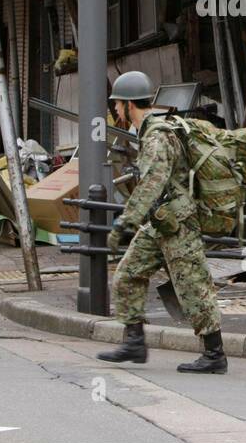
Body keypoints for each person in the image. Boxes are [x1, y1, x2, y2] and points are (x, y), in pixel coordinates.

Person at [96, 70, 227, 374]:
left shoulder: (157, 136)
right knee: (128, 274)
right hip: (159, 222)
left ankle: (214, 354)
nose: (115, 109)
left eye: (117, 104)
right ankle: (134, 342)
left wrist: (125, 223)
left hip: (178, 223)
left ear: (129, 104)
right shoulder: (150, 132)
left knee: (192, 287)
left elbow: (152, 183)